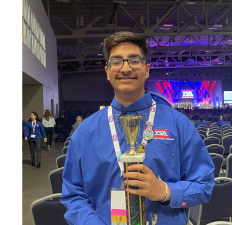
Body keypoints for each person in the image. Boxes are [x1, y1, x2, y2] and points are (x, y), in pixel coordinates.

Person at [61, 31, 215, 225]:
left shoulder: (178, 124)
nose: (125, 68)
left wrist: (165, 191)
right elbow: (73, 196)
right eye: (116, 61)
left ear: (147, 69)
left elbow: (205, 185)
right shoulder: (84, 132)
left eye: (134, 60)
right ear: (107, 71)